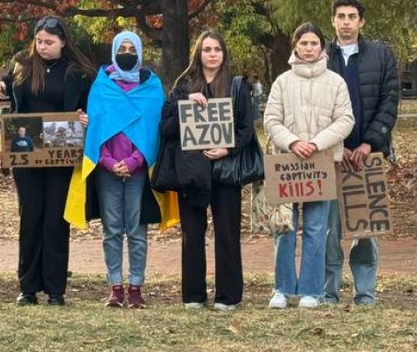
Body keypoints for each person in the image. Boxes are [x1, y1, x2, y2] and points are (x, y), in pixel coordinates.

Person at [65, 31, 175, 308]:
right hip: (107, 170)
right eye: (122, 48)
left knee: (137, 230)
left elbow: (154, 130)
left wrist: (136, 161)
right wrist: (110, 163)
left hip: (140, 170)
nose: (127, 52)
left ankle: (136, 287)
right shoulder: (101, 86)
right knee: (112, 229)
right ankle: (115, 286)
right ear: (114, 51)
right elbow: (94, 130)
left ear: (139, 51)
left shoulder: (152, 87)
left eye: (132, 48)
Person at [0, 15, 93, 306]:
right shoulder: (22, 66)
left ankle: (55, 289)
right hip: (26, 155)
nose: (43, 47)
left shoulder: (77, 72)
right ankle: (27, 286)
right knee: (31, 217)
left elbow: (89, 106)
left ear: (63, 42)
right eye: (39, 41)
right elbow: (2, 88)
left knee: (56, 220)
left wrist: (84, 117)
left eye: (49, 42)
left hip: (61, 154)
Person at [159, 29, 258, 310]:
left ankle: (228, 296)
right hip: (191, 171)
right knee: (192, 234)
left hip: (225, 170)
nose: (212, 54)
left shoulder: (237, 86)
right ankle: (193, 295)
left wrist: (227, 149)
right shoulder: (183, 86)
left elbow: (246, 129)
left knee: (227, 233)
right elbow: (165, 128)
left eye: (217, 49)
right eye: (207, 49)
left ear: (224, 54)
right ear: (198, 53)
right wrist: (183, 105)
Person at [263, 22, 355, 309]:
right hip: (288, 165)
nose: (308, 48)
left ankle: (312, 291)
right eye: (303, 43)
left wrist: (316, 143)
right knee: (285, 227)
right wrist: (292, 142)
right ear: (295, 46)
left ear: (322, 48)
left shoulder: (336, 82)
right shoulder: (282, 82)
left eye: (314, 43)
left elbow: (345, 120)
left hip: (322, 163)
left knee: (317, 229)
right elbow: (270, 120)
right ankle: (283, 288)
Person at [324, 0, 399, 306]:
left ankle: (365, 292)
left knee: (365, 229)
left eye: (352, 16)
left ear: (361, 21)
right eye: (340, 16)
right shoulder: (319, 55)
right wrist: (334, 145)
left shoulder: (381, 55)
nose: (346, 22)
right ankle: (328, 292)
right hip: (330, 155)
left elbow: (390, 100)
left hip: (367, 155)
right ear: (332, 21)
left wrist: (370, 143)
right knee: (329, 229)